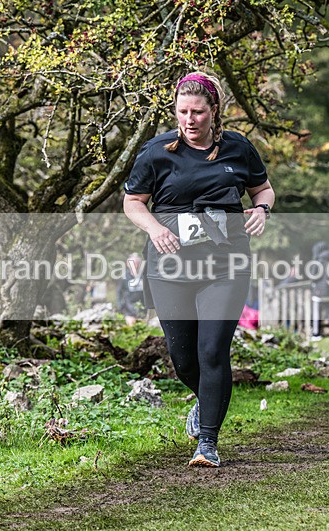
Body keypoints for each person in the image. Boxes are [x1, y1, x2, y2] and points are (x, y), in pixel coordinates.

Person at [123, 71, 275, 467]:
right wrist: (155, 228)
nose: (189, 120)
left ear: (214, 111)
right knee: (184, 358)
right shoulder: (157, 151)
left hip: (226, 263)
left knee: (212, 351)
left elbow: (263, 189)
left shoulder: (237, 148)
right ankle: (204, 400)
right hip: (169, 265)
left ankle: (207, 441)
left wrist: (262, 209)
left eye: (198, 112)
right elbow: (133, 202)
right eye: (182, 112)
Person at [311, 241, 329, 340]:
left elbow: (314, 276)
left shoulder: (318, 261)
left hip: (319, 292)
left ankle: (316, 334)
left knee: (317, 313)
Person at [116, 253, 145, 326]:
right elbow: (119, 292)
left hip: (143, 309)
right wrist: (120, 306)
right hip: (129, 309)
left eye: (136, 263)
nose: (134, 265)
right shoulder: (124, 277)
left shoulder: (144, 276)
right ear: (127, 264)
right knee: (131, 327)